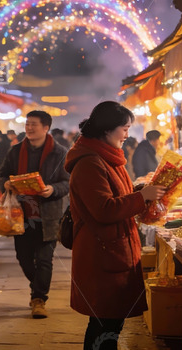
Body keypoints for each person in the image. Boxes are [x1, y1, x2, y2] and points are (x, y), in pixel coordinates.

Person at [64, 101, 166, 350]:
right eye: (125, 128)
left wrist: (142, 191)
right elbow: (104, 209)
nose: (127, 135)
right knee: (104, 323)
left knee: (110, 323)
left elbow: (118, 195)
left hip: (114, 248)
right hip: (102, 252)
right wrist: (141, 197)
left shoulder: (106, 158)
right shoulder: (90, 163)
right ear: (107, 129)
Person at [0, 110, 69, 319]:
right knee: (23, 257)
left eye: (34, 124)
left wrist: (52, 189)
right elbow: (1, 174)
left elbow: (68, 181)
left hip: (48, 214)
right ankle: (37, 285)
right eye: (27, 124)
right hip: (22, 214)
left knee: (45, 259)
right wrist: (5, 183)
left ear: (46, 127)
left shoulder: (60, 152)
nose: (29, 128)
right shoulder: (16, 151)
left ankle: (39, 299)